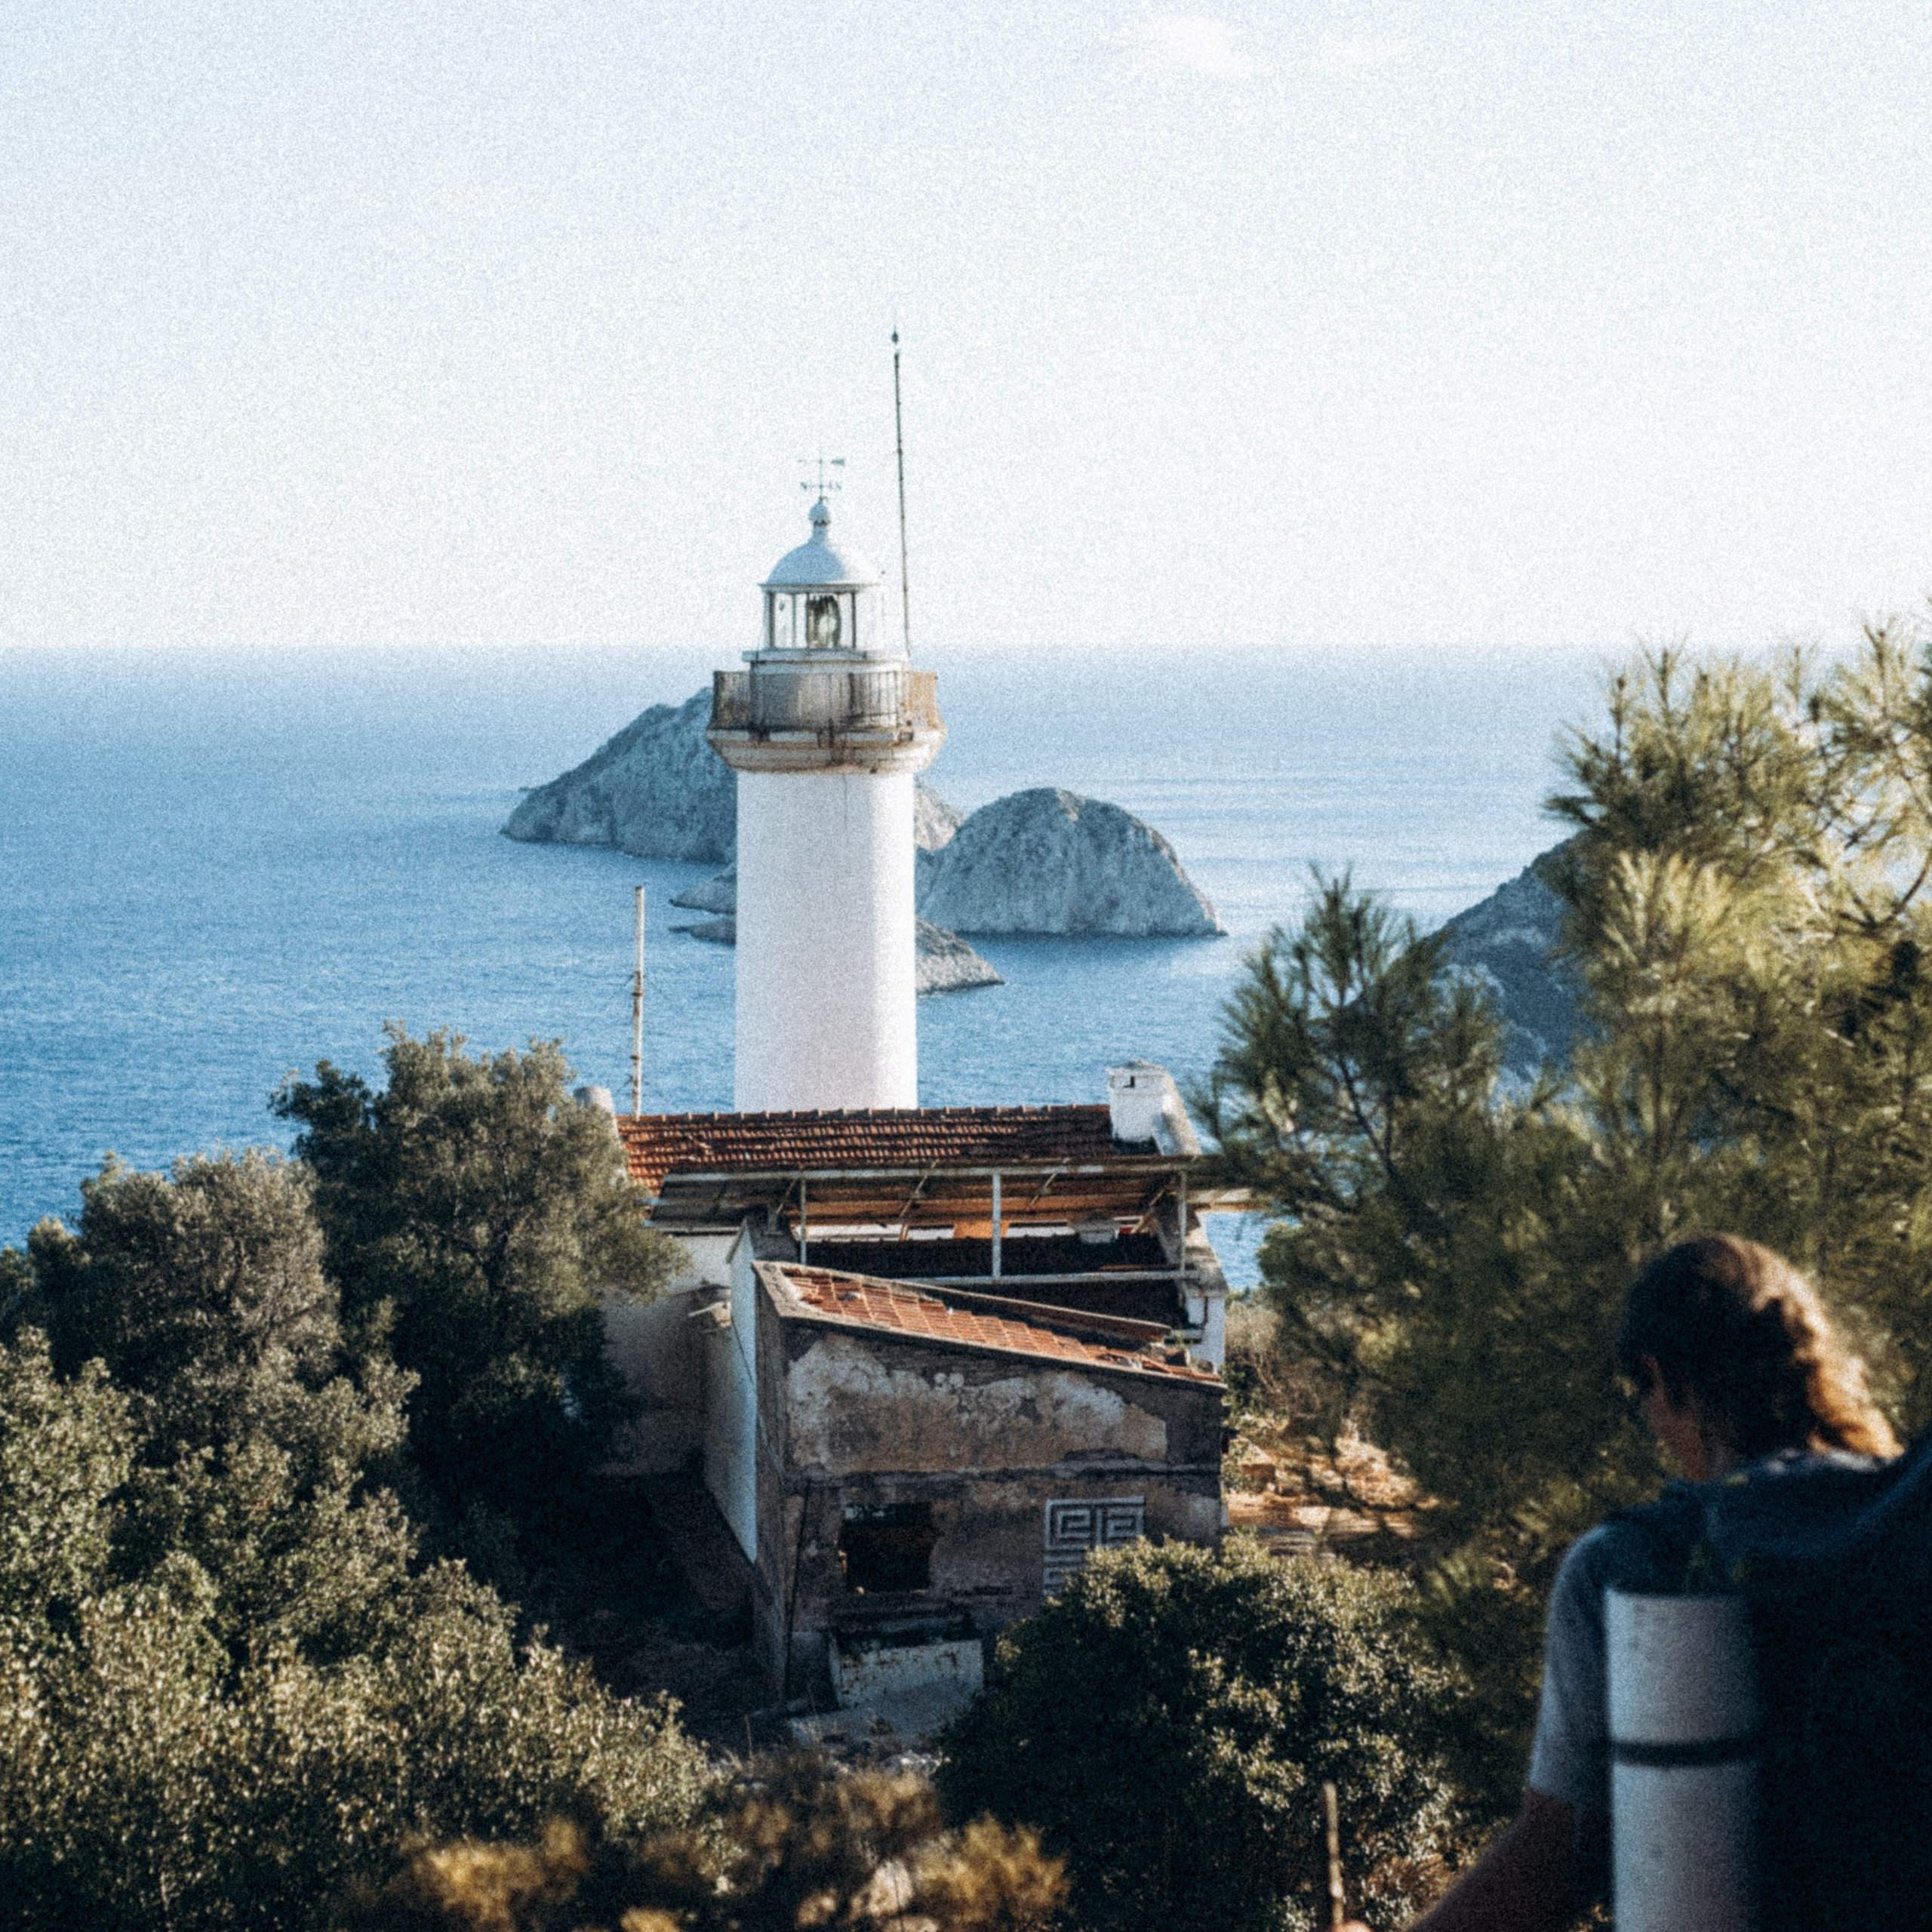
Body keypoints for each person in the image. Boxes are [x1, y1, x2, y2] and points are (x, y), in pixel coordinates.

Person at [1346, 1234, 1900, 1932]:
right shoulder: (1903, 1527)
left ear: (1662, 1379)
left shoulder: (1630, 1565)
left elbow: (1556, 1860)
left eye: (1645, 1396)